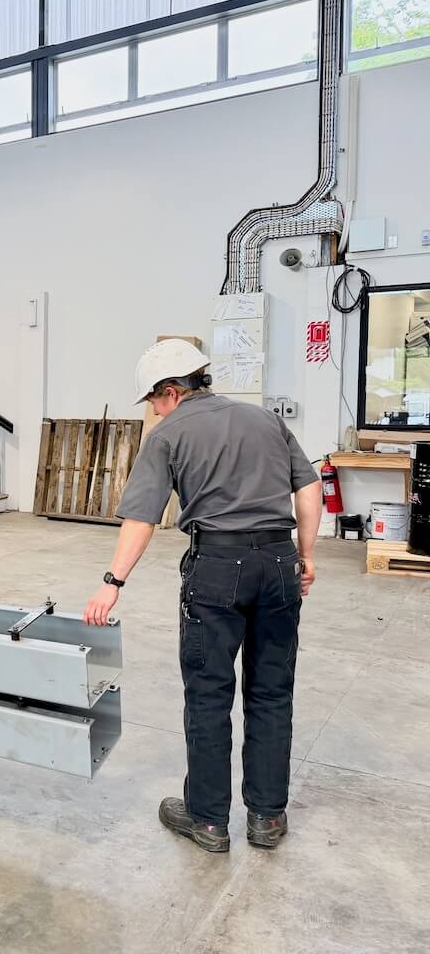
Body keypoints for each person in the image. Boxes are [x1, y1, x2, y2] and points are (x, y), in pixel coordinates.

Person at [83, 338, 322, 853]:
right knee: (272, 691)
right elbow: (308, 488)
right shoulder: (265, 420)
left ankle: (209, 820)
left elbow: (141, 517)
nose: (153, 410)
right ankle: (268, 817)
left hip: (217, 568)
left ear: (171, 390)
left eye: (153, 399)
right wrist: (305, 556)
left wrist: (112, 582)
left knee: (210, 693)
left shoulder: (168, 434)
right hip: (280, 563)